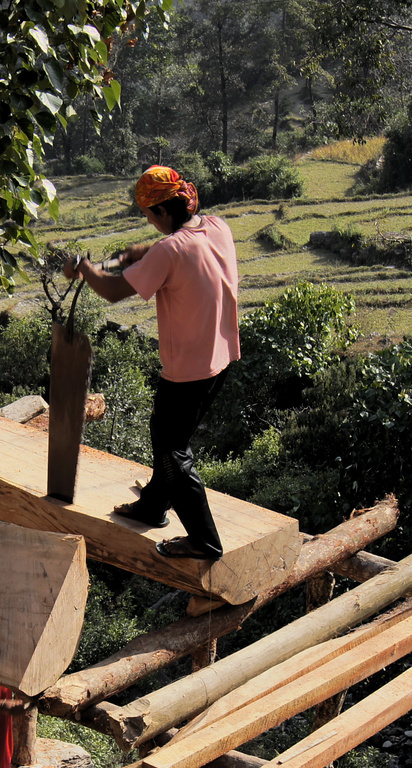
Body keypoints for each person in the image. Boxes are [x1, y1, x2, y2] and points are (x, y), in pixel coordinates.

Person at [62, 164, 239, 560]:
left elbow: (110, 291)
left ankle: (204, 540)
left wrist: (84, 268)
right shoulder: (215, 227)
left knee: (172, 450)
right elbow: (170, 249)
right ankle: (153, 507)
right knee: (168, 438)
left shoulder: (170, 251)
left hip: (187, 370)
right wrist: (138, 254)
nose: (149, 222)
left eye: (148, 215)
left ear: (160, 213)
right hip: (221, 357)